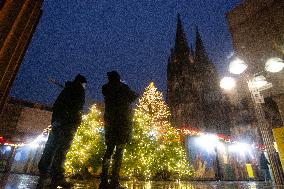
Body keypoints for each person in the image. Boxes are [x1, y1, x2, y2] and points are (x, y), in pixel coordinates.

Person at [37, 74, 87, 188]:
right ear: (83, 83)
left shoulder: (66, 90)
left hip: (57, 123)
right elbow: (78, 108)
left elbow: (57, 106)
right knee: (62, 150)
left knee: (51, 146)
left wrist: (56, 121)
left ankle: (44, 172)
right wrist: (76, 121)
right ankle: (58, 177)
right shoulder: (79, 90)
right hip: (68, 124)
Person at [99, 71, 138, 189]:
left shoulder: (107, 90)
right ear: (118, 79)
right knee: (119, 153)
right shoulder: (123, 89)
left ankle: (104, 181)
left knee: (109, 151)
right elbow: (135, 95)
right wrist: (124, 86)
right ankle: (115, 181)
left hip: (110, 125)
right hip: (122, 125)